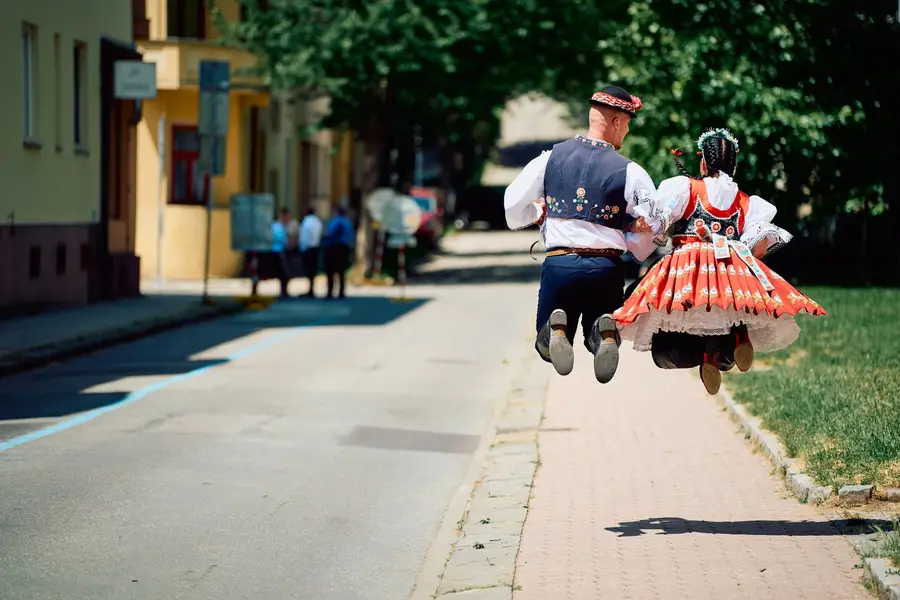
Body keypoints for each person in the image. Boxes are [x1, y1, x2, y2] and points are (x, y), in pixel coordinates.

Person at [613, 128, 827, 394]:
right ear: (734, 164)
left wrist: (636, 233)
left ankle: (702, 355)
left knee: (670, 310)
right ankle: (734, 341)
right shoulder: (746, 201)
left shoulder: (686, 187)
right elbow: (757, 245)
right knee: (731, 309)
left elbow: (659, 222)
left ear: (703, 161)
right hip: (730, 263)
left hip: (689, 263)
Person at [504, 85, 664, 383]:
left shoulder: (550, 158)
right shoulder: (630, 170)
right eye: (626, 126)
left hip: (560, 264)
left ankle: (556, 330)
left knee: (544, 342)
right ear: (616, 122)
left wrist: (533, 214)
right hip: (606, 268)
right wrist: (631, 238)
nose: (625, 134)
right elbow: (656, 221)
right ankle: (603, 333)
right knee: (600, 325)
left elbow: (512, 202)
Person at [321, 206, 355, 299]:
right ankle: (341, 291)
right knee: (341, 271)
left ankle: (330, 291)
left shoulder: (336, 221)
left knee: (330, 271)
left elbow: (331, 233)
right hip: (344, 248)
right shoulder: (347, 222)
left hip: (334, 248)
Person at [299, 207, 324, 297]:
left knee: (308, 270)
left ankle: (310, 289)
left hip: (307, 248)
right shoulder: (318, 221)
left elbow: (304, 236)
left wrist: (302, 247)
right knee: (313, 270)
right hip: (316, 247)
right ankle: (312, 288)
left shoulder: (306, 221)